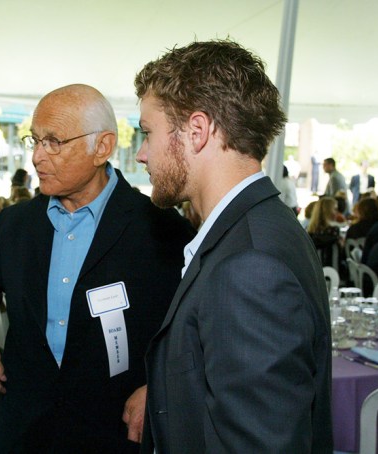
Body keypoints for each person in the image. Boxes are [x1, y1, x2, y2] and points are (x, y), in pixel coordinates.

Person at [0, 83, 195, 453]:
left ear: (102, 147)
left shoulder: (160, 230)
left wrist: (159, 387)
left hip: (110, 428)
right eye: (33, 140)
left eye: (54, 141)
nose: (36, 157)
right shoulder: (16, 225)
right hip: (25, 426)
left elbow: (187, 328)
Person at [134, 40, 332, 452]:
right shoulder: (258, 228)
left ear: (197, 131)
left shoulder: (249, 263)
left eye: (148, 133)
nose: (141, 154)